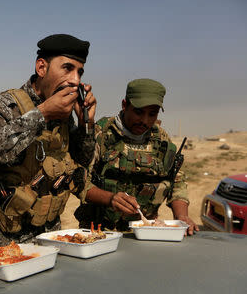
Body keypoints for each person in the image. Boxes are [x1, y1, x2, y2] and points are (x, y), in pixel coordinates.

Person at [0, 34, 97, 251]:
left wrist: (85, 125)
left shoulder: (65, 113)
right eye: (67, 68)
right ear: (41, 68)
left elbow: (82, 159)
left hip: (51, 234)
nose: (75, 80)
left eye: (79, 72)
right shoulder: (8, 105)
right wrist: (41, 114)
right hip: (8, 243)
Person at [75, 78, 199, 235]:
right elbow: (79, 181)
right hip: (100, 232)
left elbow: (177, 182)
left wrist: (182, 217)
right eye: (138, 112)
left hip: (145, 231)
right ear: (124, 105)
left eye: (152, 114)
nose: (144, 121)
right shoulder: (101, 134)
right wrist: (110, 198)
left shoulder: (161, 140)